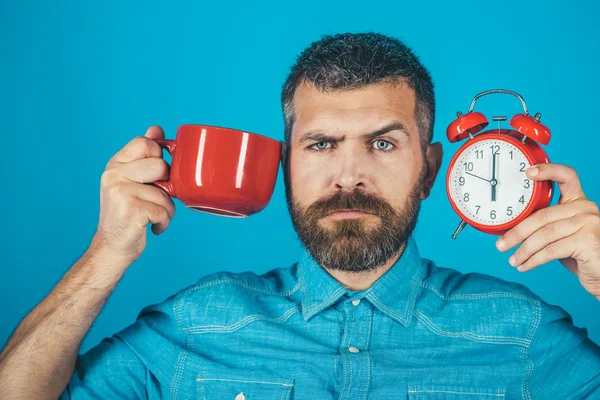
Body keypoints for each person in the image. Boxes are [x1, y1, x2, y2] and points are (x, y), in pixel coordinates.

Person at [1, 32, 599, 400]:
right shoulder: (196, 324)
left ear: (432, 168)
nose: (349, 176)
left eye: (384, 144)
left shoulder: (520, 334)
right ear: (284, 164)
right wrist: (105, 254)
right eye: (320, 144)